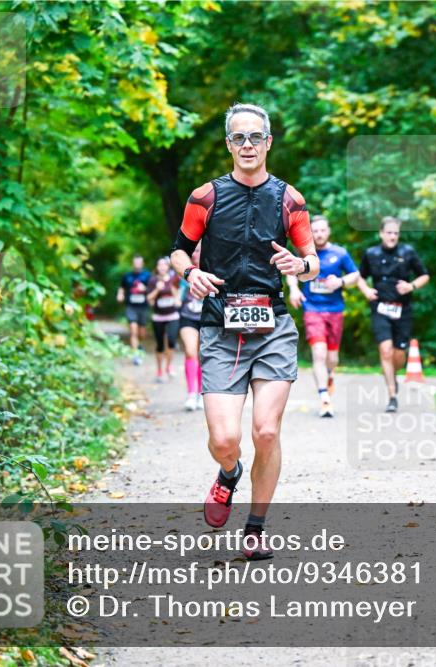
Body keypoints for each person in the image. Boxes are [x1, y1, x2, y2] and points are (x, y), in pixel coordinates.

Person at [170, 103, 318, 560]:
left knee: (267, 432)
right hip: (219, 326)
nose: (248, 145)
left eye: (256, 137)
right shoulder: (205, 197)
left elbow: (311, 262)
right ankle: (229, 474)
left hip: (272, 327)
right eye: (239, 138)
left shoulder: (289, 199)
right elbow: (179, 251)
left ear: (269, 142)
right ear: (228, 144)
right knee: (224, 440)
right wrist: (188, 274)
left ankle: (254, 529)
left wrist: (300, 265)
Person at [287, 215, 360, 418]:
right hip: (312, 310)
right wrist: (294, 289)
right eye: (315, 231)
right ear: (311, 233)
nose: (318, 234)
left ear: (328, 231)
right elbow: (291, 272)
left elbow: (355, 275)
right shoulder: (304, 253)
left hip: (335, 310)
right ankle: (324, 398)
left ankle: (328, 377)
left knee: (332, 358)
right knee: (319, 353)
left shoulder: (340, 253)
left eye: (322, 230)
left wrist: (341, 282)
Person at [357, 217, 429, 413]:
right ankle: (392, 395)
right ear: (381, 233)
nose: (392, 236)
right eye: (389, 232)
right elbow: (360, 277)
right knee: (386, 350)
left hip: (403, 309)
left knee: (399, 354)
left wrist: (411, 285)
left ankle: (392, 375)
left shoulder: (407, 252)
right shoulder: (371, 254)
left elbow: (424, 275)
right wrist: (366, 290)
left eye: (396, 233)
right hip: (380, 308)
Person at [178, 242, 204, 411]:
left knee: (204, 355)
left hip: (208, 318)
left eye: (197, 251)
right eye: (192, 251)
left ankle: (202, 393)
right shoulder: (183, 273)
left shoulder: (215, 269)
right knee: (190, 351)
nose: (194, 254)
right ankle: (191, 393)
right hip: (188, 316)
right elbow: (176, 295)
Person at [147, 257, 181, 382]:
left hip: (172, 315)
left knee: (171, 341)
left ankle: (168, 366)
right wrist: (157, 288)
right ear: (157, 267)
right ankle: (159, 370)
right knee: (160, 345)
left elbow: (178, 296)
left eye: (164, 265)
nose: (161, 267)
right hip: (158, 317)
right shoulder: (153, 280)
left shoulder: (174, 279)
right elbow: (149, 300)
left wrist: (177, 299)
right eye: (159, 265)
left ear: (168, 267)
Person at [116, 255, 151, 365]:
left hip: (143, 306)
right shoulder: (127, 276)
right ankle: (135, 354)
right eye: (135, 263)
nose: (137, 265)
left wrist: (145, 289)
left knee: (141, 333)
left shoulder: (147, 275)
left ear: (142, 263)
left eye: (139, 263)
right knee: (133, 329)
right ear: (133, 264)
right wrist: (120, 294)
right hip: (131, 306)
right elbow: (122, 287)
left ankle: (139, 345)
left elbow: (153, 288)